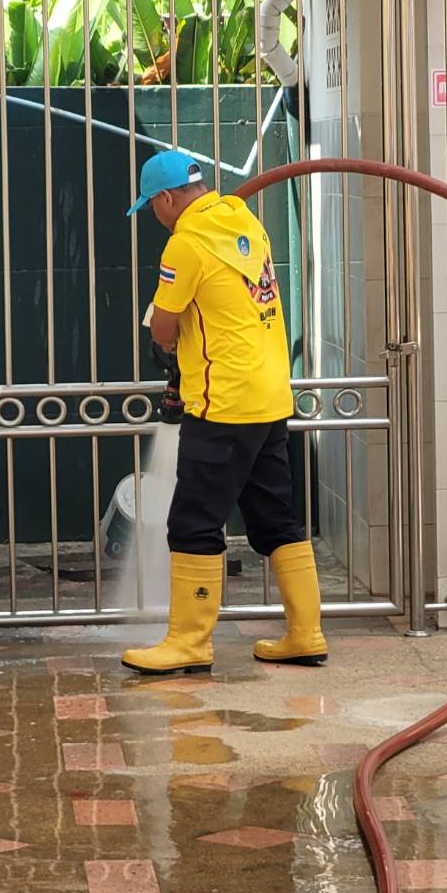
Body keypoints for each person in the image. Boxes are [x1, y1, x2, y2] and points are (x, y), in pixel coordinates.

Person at [121, 150, 326, 675]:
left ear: (167, 198)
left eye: (152, 205)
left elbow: (162, 328)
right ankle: (306, 634)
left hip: (224, 405)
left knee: (193, 522)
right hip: (269, 397)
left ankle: (188, 642)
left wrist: (169, 341)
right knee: (276, 519)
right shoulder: (244, 221)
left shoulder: (185, 242)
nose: (154, 215)